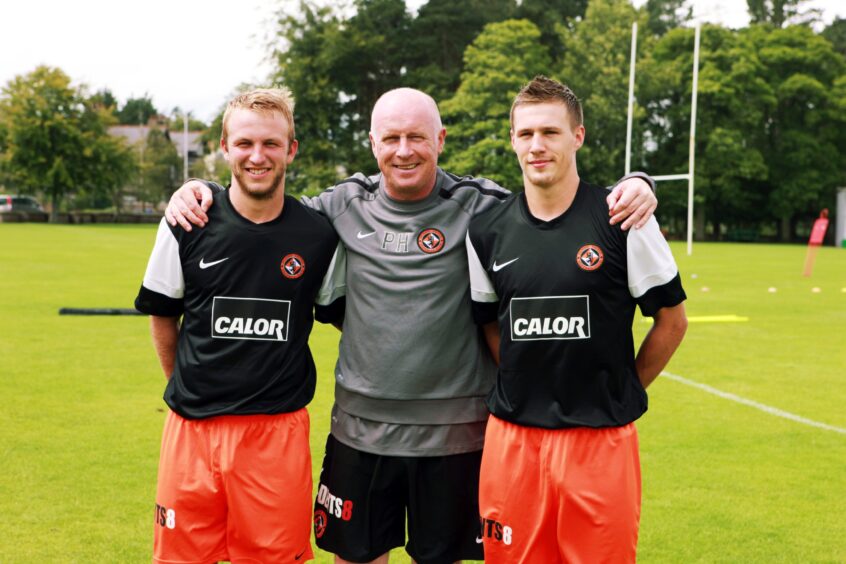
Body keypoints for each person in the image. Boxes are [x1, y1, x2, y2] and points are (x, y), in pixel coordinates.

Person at [165, 87, 658, 564]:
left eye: (417, 137)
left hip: (457, 439)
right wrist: (202, 189)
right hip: (359, 436)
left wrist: (639, 182)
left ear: (439, 140)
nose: (404, 151)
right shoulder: (338, 206)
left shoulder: (483, 207)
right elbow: (262, 202)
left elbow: (551, 198)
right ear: (373, 143)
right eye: (391, 138)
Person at [466, 76, 688, 563]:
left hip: (600, 445)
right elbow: (490, 325)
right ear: (512, 141)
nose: (537, 145)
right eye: (525, 134)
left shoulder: (624, 219)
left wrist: (623, 386)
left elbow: (672, 321)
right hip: (513, 443)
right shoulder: (485, 230)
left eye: (550, 132)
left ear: (578, 136)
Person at [134, 88, 342, 563]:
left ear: (291, 150)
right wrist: (184, 387)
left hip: (275, 436)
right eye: (245, 143)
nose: (257, 156)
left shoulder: (317, 235)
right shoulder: (187, 221)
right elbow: (163, 314)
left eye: (271, 144)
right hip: (192, 434)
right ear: (224, 148)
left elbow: (345, 315)